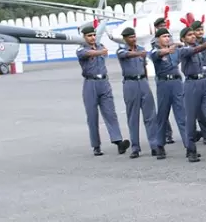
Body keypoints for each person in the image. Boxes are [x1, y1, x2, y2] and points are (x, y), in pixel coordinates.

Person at [76, 25, 128, 156]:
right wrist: (100, 52)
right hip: (90, 83)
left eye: (94, 35)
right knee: (92, 116)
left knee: (110, 113)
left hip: (104, 82)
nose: (92, 37)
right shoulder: (81, 49)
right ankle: (96, 145)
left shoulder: (100, 46)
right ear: (84, 37)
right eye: (89, 36)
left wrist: (100, 51)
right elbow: (87, 54)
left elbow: (102, 51)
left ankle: (118, 141)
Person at [176, 27, 206, 163]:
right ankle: (191, 149)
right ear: (183, 39)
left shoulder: (199, 48)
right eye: (189, 35)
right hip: (191, 83)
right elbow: (194, 50)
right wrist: (204, 45)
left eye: (193, 34)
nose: (193, 37)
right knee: (190, 118)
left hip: (204, 81)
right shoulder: (183, 49)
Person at [115, 27, 155, 159]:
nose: (133, 39)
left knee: (150, 116)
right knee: (133, 117)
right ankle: (135, 147)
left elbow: (144, 66)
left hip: (142, 81)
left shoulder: (140, 49)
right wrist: (139, 54)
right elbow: (126, 55)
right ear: (125, 38)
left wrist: (146, 80)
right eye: (130, 37)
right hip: (130, 83)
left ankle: (154, 145)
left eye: (134, 36)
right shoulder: (122, 50)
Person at [149, 28, 183, 159]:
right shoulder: (155, 50)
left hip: (176, 83)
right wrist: (170, 49)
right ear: (158, 39)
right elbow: (157, 54)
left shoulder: (175, 51)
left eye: (168, 36)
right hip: (163, 84)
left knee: (182, 115)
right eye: (164, 36)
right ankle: (160, 145)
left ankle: (189, 146)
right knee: (162, 115)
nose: (167, 38)